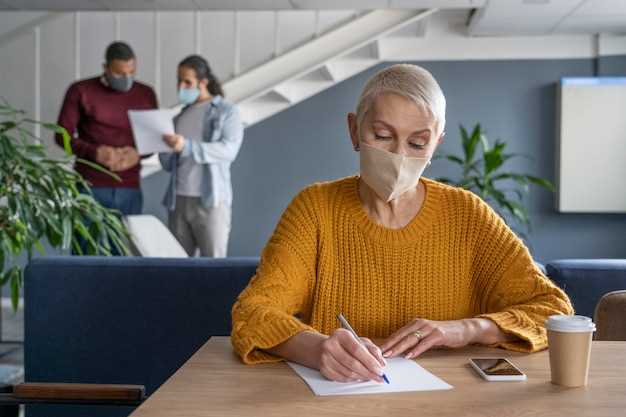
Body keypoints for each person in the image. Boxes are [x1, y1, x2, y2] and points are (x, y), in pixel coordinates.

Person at [231, 64, 573, 383]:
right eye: (382, 136)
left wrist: (466, 329)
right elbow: (253, 312)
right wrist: (317, 349)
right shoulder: (315, 209)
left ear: (436, 144)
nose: (398, 157)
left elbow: (553, 310)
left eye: (417, 143)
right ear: (354, 130)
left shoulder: (468, 214)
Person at [56, 41, 157, 215]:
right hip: (89, 186)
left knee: (128, 242)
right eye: (119, 73)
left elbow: (154, 138)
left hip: (130, 187)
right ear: (106, 68)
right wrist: (94, 152)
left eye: (131, 72)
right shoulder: (80, 90)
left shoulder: (146, 93)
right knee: (87, 242)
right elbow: (61, 136)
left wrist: (137, 153)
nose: (126, 78)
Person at [159, 55, 244, 258]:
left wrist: (186, 146)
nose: (182, 86)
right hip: (178, 199)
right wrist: (163, 146)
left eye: (187, 81)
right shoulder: (179, 116)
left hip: (211, 200)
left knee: (213, 266)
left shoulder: (226, 111)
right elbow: (168, 164)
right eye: (179, 80)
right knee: (178, 267)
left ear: (203, 82)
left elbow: (228, 150)